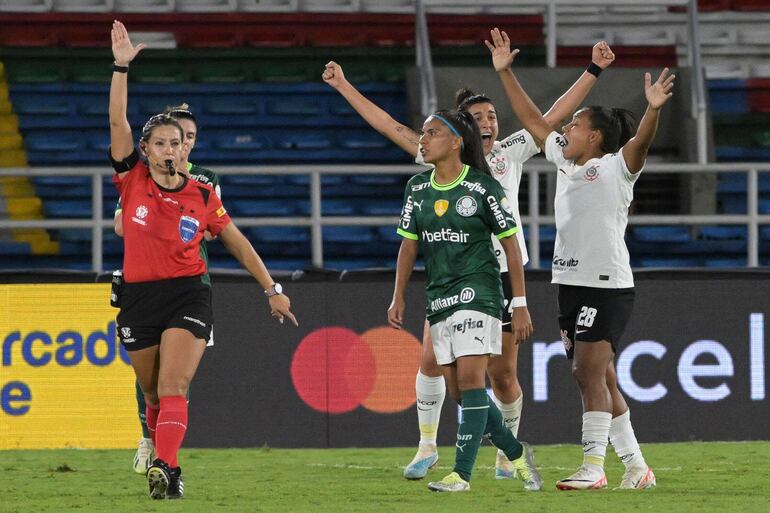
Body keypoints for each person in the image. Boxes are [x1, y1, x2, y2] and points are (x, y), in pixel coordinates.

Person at [322, 43, 614, 481]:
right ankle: (425, 448)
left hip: (498, 275)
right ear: (461, 129)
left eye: (493, 116)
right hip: (451, 272)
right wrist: (344, 85)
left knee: (502, 378)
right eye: (479, 119)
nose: (490, 123)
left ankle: (505, 451)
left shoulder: (508, 153)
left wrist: (593, 69)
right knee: (431, 362)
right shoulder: (440, 159)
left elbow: (551, 116)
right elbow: (391, 126)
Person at [109, 20, 298, 499]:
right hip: (138, 297)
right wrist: (121, 67)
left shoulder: (202, 193)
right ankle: (162, 458)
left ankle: (166, 467)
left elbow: (236, 241)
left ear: (184, 149)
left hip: (189, 292)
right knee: (151, 393)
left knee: (174, 384)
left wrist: (272, 290)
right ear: (145, 150)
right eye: (160, 143)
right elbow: (117, 123)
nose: (170, 149)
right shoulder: (131, 181)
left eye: (177, 143)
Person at [485, 27, 672, 490]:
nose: (565, 130)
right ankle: (635, 466)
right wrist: (506, 74)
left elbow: (641, 145)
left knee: (585, 371)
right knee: (602, 376)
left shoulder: (616, 168)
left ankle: (593, 467)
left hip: (605, 283)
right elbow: (534, 120)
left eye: (574, 126)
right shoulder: (567, 163)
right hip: (568, 283)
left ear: (595, 137)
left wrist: (652, 109)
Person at [387, 108, 541, 492]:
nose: (423, 139)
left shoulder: (484, 187)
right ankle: (518, 453)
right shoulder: (418, 189)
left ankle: (461, 474)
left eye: (433, 133)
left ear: (456, 141)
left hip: (481, 290)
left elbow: (510, 243)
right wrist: (398, 296)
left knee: (474, 380)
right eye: (422, 133)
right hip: (439, 295)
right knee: (458, 392)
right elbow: (408, 246)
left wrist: (518, 302)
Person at [114, 104, 222, 475]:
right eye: (174, 139)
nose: (182, 146)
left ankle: (165, 458)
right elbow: (120, 223)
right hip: (144, 285)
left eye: (188, 138)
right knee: (151, 380)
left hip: (192, 283)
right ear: (152, 145)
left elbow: (215, 229)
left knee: (174, 379)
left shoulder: (205, 182)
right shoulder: (140, 177)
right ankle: (150, 438)